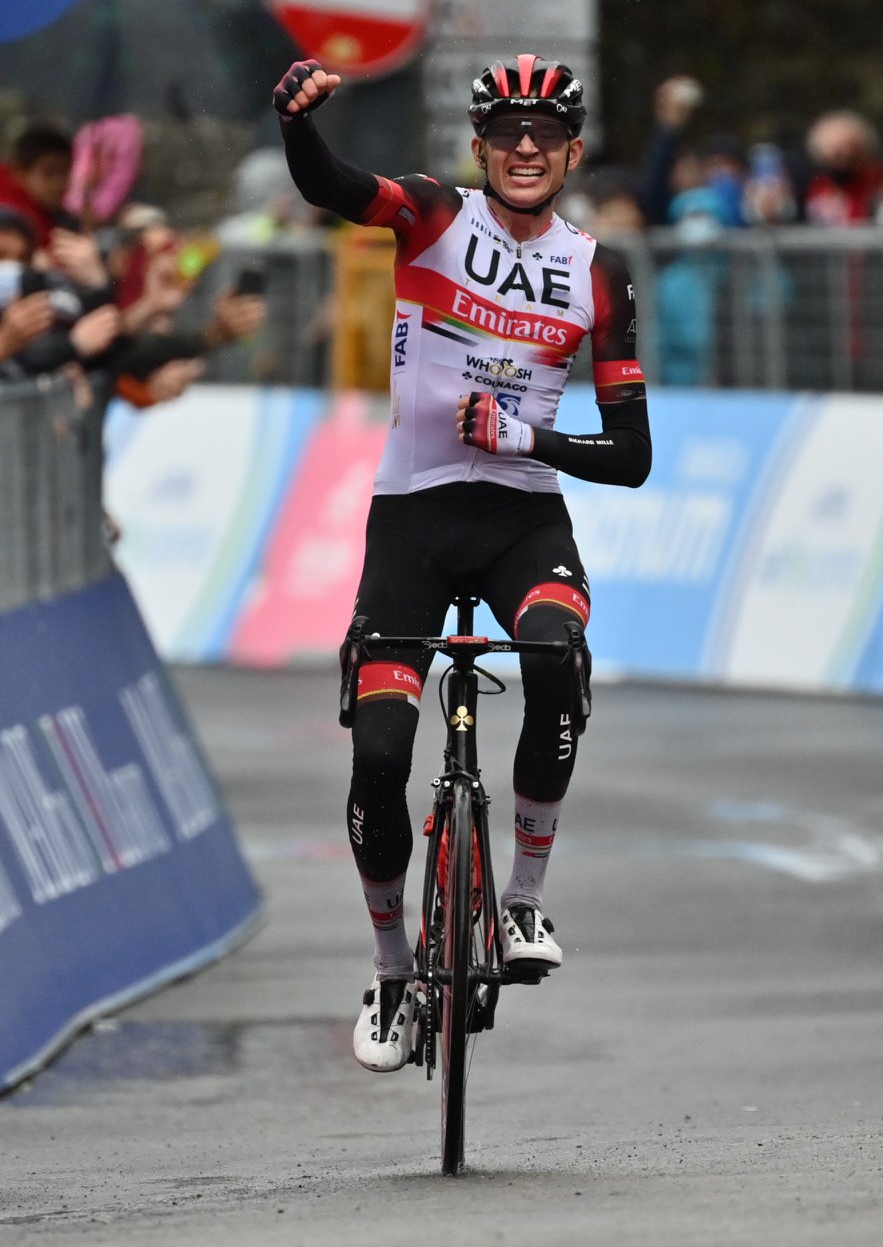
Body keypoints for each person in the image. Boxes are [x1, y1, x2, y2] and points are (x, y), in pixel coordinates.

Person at [275, 53, 651, 1072]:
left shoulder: (597, 271)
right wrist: (297, 123)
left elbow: (631, 456)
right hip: (411, 519)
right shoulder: (436, 217)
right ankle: (394, 967)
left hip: (521, 519)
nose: (526, 147)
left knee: (555, 653)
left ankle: (523, 900)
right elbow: (333, 185)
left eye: (547, 133)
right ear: (480, 148)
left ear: (573, 152)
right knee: (383, 757)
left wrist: (527, 439)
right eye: (506, 133)